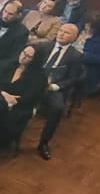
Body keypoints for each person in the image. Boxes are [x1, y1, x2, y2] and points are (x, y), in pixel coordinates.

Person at [32, 23, 84, 161]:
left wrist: (56, 86)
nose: (61, 34)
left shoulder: (76, 56)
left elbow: (73, 78)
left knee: (57, 108)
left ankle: (43, 143)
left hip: (54, 87)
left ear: (74, 37)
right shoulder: (43, 46)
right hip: (34, 82)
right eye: (60, 30)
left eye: (66, 33)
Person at [0, 43, 48, 151]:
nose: (23, 57)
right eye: (23, 53)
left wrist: (11, 100)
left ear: (35, 60)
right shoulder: (10, 64)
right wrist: (4, 94)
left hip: (19, 108)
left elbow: (29, 98)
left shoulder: (40, 77)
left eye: (28, 56)